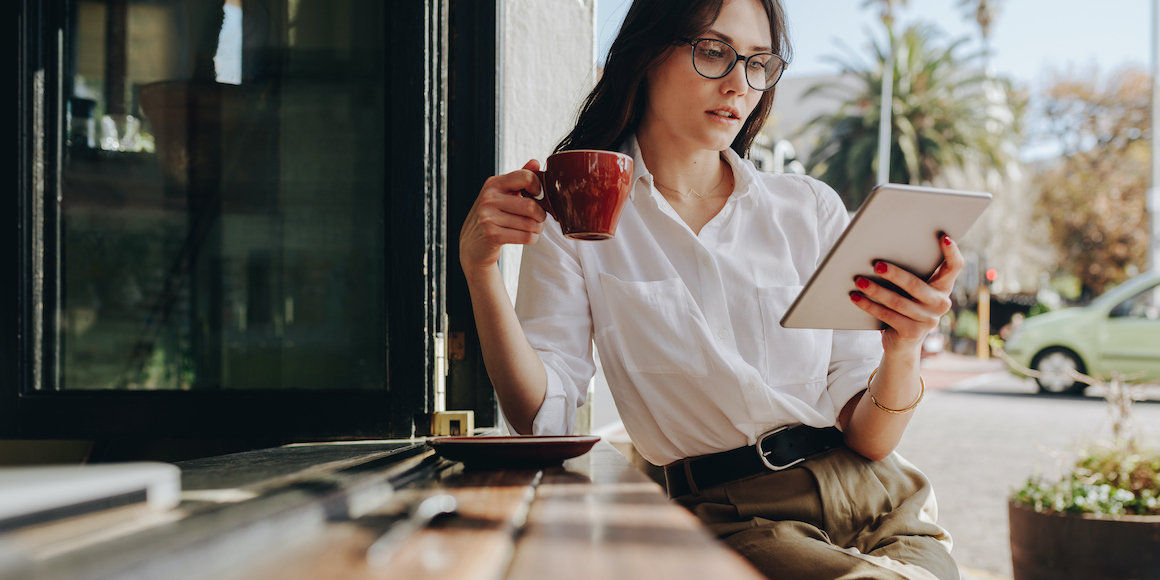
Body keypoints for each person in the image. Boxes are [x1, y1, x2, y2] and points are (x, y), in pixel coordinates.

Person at [459, 0, 962, 578]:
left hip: (881, 499)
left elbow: (870, 438)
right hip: (735, 517)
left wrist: (903, 347)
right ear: (646, 55)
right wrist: (481, 271)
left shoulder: (808, 208)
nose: (738, 84)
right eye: (714, 51)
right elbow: (541, 416)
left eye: (758, 62)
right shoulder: (577, 216)